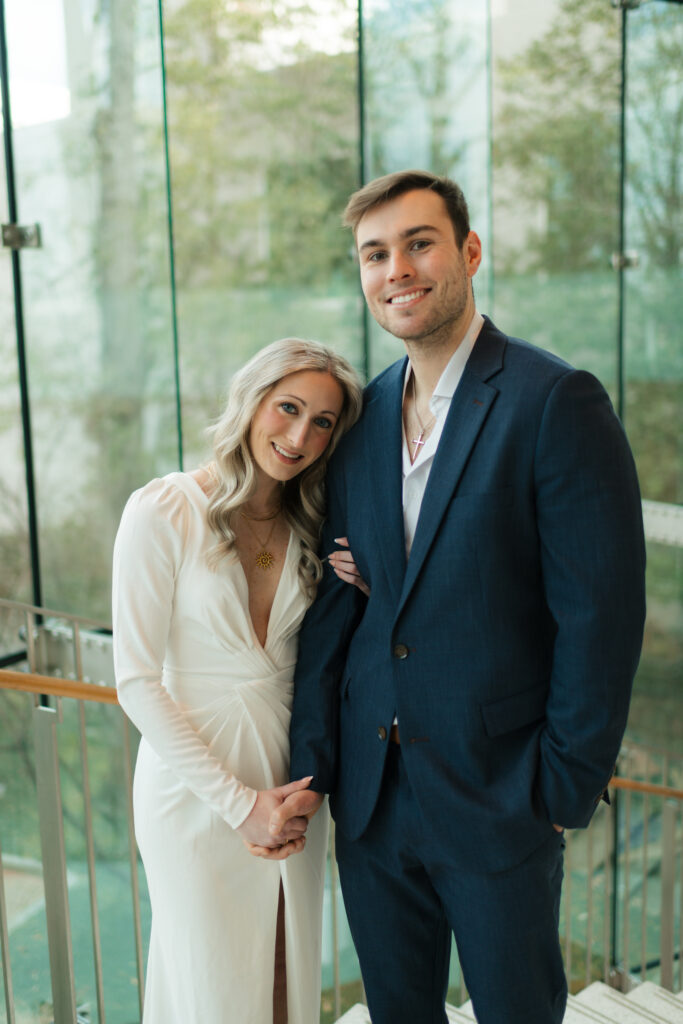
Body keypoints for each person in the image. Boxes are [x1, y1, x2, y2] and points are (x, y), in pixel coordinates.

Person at [271, 171, 647, 1024]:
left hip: (499, 793)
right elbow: (342, 609)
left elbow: (602, 613)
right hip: (371, 798)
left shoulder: (555, 401)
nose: (395, 269)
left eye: (418, 243)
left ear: (468, 252)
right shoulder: (358, 421)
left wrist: (559, 788)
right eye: (375, 254)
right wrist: (315, 766)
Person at [112, 337, 363, 1024]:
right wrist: (238, 804)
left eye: (321, 422)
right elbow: (134, 680)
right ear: (250, 401)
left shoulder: (313, 527)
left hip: (290, 782)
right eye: (287, 407)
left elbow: (335, 660)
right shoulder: (162, 510)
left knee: (287, 979)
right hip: (195, 789)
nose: (298, 435)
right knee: (213, 988)